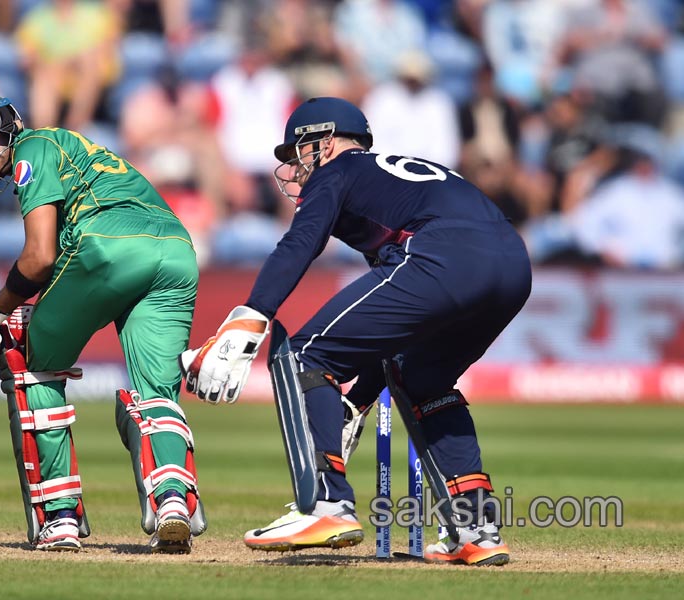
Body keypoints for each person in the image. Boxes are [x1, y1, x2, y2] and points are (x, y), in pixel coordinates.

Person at [182, 97, 531, 566]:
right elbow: (393, 340)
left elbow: (300, 242)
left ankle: (327, 505)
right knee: (424, 380)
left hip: (442, 253)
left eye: (297, 152)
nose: (294, 167)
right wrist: (357, 400)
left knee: (305, 356)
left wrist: (251, 315)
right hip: (514, 265)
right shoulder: (399, 176)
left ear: (323, 144)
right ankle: (475, 528)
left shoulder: (336, 170)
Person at [0, 87, 204, 554]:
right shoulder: (70, 146)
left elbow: (38, 260)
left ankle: (59, 518)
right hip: (177, 252)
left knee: (24, 351)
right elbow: (58, 265)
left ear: (7, 119)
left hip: (108, 248)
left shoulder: (33, 149)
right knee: (156, 389)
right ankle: (173, 502)